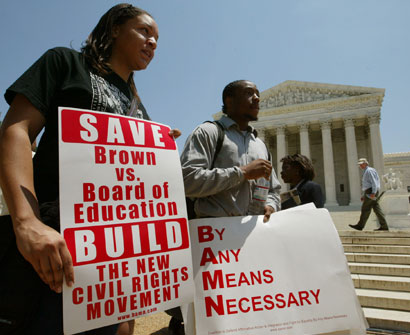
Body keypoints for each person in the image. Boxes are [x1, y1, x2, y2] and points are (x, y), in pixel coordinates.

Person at [0, 4, 179, 334]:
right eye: (144, 31)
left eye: (157, 38)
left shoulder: (140, 110)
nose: (152, 42)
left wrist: (160, 153)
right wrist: (27, 222)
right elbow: (16, 130)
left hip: (114, 258)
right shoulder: (66, 63)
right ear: (114, 30)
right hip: (55, 244)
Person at [172, 80, 281, 334]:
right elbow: (186, 180)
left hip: (251, 239)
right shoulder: (208, 132)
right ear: (229, 101)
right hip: (213, 242)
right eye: (249, 93)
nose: (257, 98)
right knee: (212, 316)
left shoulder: (260, 144)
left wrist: (271, 206)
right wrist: (241, 173)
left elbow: (274, 189)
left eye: (257, 94)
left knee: (247, 312)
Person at [349, 158, 388, 231]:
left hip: (371, 191)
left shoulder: (369, 171)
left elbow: (373, 182)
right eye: (359, 164)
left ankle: (360, 226)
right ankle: (384, 226)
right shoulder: (368, 171)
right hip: (370, 191)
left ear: (365, 163)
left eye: (361, 164)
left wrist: (373, 192)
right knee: (376, 208)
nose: (360, 166)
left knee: (365, 208)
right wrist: (364, 195)